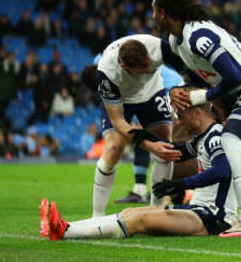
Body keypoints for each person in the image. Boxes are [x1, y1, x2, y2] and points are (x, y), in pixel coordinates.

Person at [151, 0, 241, 238]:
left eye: (155, 11)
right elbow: (202, 77)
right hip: (234, 89)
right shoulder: (177, 42)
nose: (153, 16)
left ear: (164, 13)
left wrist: (201, 96)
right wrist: (181, 89)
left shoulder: (198, 37)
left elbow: (232, 75)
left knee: (229, 139)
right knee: (219, 138)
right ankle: (220, 207)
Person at [40, 101, 236, 240]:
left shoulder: (215, 137)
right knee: (129, 212)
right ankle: (64, 226)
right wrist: (148, 138)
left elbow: (222, 171)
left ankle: (65, 232)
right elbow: (176, 151)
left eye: (181, 116)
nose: (178, 122)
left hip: (214, 217)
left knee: (140, 220)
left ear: (197, 112)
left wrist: (181, 184)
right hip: (198, 210)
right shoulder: (204, 137)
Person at [80, 35, 186, 218]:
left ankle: (157, 212)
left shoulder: (157, 48)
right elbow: (119, 123)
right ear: (124, 67)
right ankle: (97, 216)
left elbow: (188, 67)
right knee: (114, 147)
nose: (148, 69)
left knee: (165, 142)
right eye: (142, 69)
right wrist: (150, 146)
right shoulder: (107, 73)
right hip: (122, 99)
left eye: (149, 64)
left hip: (153, 92)